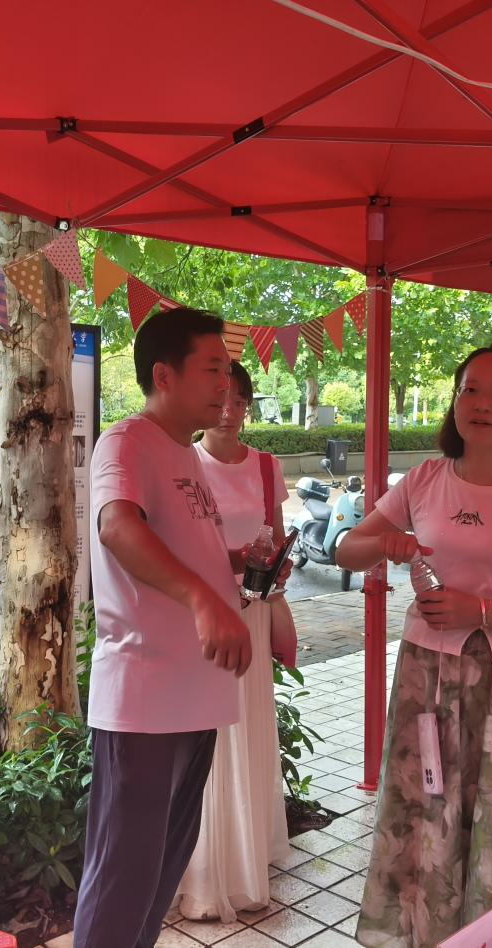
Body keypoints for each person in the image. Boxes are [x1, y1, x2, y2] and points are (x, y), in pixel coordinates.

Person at [338, 342, 492, 947]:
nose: (481, 403)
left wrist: (477, 612)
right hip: (426, 677)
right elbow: (346, 549)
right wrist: (384, 544)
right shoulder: (424, 480)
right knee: (423, 813)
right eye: (470, 389)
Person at [72, 308, 253, 947]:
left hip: (196, 692)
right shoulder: (127, 441)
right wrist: (204, 599)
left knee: (164, 864)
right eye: (212, 369)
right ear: (164, 375)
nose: (225, 385)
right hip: (144, 696)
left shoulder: (184, 452)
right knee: (124, 870)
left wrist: (236, 563)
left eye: (228, 371)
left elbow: (179, 547)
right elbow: (118, 528)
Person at [176, 361, 292, 921]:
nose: (228, 410)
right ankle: (202, 870)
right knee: (210, 735)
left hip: (253, 610)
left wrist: (275, 570)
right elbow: (175, 548)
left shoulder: (267, 467)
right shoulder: (183, 462)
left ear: (248, 405)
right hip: (201, 615)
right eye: (219, 397)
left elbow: (276, 536)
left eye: (239, 400)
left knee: (247, 727)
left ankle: (248, 857)